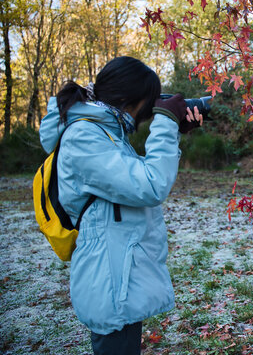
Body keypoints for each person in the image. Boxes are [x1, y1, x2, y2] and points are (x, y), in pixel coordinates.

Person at [38, 56, 202, 354]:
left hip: (117, 273)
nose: (146, 114)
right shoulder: (83, 136)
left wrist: (173, 132)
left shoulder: (105, 132)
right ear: (129, 100)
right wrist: (165, 124)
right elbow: (150, 185)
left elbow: (131, 180)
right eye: (148, 103)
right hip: (108, 281)